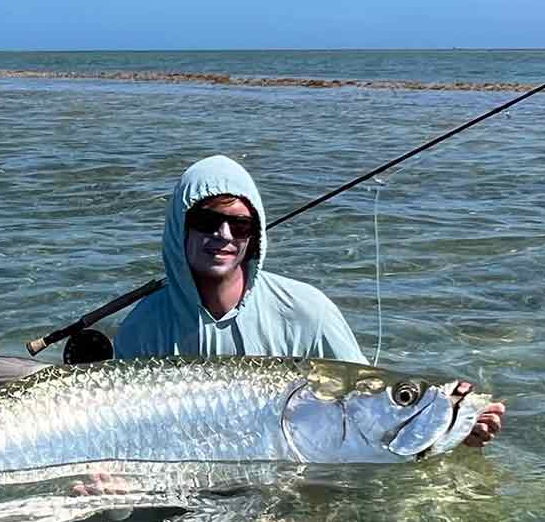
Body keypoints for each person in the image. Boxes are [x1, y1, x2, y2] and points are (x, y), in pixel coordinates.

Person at [112, 155, 504, 448]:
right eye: (206, 221)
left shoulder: (308, 311)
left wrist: (448, 431)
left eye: (241, 224)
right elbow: (121, 434)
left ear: (256, 233)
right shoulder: (142, 325)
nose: (225, 235)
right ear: (178, 228)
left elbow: (363, 414)